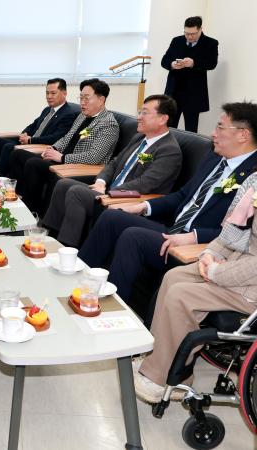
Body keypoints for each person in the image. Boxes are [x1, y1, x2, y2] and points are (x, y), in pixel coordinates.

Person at [79, 102, 257, 311]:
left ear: (243, 135)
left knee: (133, 236)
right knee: (113, 216)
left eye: (220, 127)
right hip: (174, 229)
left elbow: (241, 236)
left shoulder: (253, 179)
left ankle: (113, 310)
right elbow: (183, 195)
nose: (213, 134)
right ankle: (81, 282)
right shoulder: (214, 158)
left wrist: (193, 237)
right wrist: (143, 206)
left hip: (199, 245)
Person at [135, 172, 257, 403]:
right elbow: (231, 233)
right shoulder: (254, 180)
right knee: (174, 276)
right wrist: (209, 254)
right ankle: (157, 361)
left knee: (181, 295)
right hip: (237, 262)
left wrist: (215, 272)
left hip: (252, 287)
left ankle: (170, 379)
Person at [42, 95, 182, 247]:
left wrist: (110, 192)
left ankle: (67, 247)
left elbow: (145, 184)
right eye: (140, 112)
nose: (139, 117)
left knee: (77, 192)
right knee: (63, 184)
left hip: (128, 200)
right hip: (109, 191)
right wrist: (101, 182)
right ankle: (50, 237)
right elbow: (114, 163)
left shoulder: (169, 150)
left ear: (162, 119)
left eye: (145, 113)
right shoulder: (139, 138)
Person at [9, 78, 119, 215]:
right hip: (62, 158)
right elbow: (67, 137)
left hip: (79, 166)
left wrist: (62, 158)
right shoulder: (82, 116)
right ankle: (15, 198)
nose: (82, 102)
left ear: (101, 100)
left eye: (86, 98)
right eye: (81, 98)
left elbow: (94, 157)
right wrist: (53, 148)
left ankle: (31, 210)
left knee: (34, 164)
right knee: (18, 154)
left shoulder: (108, 124)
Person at [0, 78, 77, 176]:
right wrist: (24, 134)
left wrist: (30, 140)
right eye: (47, 93)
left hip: (39, 145)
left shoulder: (69, 114)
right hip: (29, 141)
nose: (49, 96)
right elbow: (33, 125)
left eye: (53, 93)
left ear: (64, 93)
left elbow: (55, 138)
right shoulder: (47, 109)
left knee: (8, 147)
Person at [161, 16, 218, 133]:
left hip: (194, 93)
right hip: (174, 91)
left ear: (200, 29)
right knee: (169, 127)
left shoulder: (211, 43)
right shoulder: (176, 41)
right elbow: (164, 61)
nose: (189, 37)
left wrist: (193, 63)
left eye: (193, 34)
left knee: (191, 130)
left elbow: (212, 64)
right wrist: (172, 64)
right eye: (186, 33)